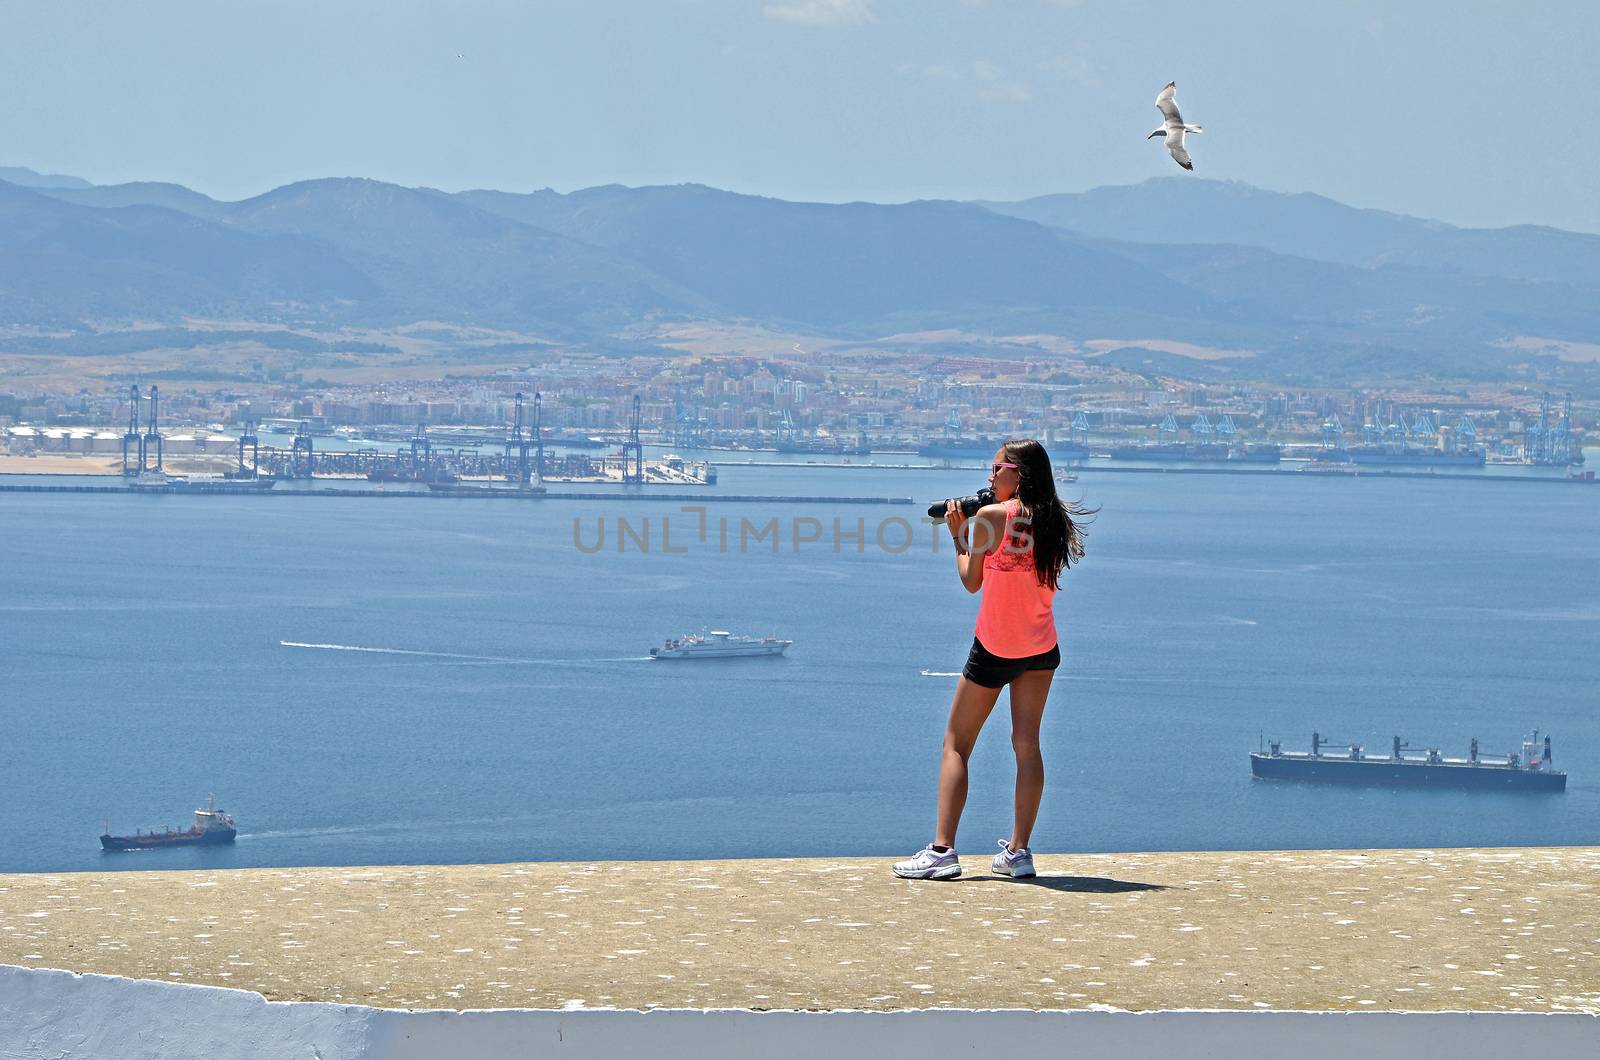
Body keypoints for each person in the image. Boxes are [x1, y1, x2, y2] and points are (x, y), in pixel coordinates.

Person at [893, 439, 1092, 881]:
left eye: (997, 467)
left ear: (1017, 473)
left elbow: (971, 581)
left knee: (956, 744)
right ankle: (1019, 852)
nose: (989, 476)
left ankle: (942, 850)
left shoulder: (989, 518)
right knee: (1027, 746)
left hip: (996, 646)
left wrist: (956, 535)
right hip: (1041, 647)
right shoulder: (1054, 518)